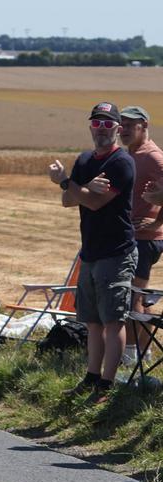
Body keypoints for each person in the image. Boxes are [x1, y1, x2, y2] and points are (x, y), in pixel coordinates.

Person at [48, 102, 137, 405]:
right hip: (91, 251)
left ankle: (107, 386)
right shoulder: (85, 160)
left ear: (117, 128)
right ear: (90, 127)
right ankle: (91, 377)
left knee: (113, 322)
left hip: (116, 252)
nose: (102, 130)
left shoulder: (121, 163)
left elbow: (95, 203)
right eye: (96, 124)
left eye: (107, 124)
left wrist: (68, 184)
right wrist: (82, 187)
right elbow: (67, 201)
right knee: (93, 322)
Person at [118, 105, 163, 365]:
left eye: (129, 124)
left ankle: (134, 355)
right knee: (136, 297)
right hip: (131, 237)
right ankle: (141, 354)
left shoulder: (153, 156)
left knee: (134, 296)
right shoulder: (131, 154)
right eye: (121, 124)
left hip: (145, 240)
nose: (123, 129)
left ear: (144, 126)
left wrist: (156, 220)